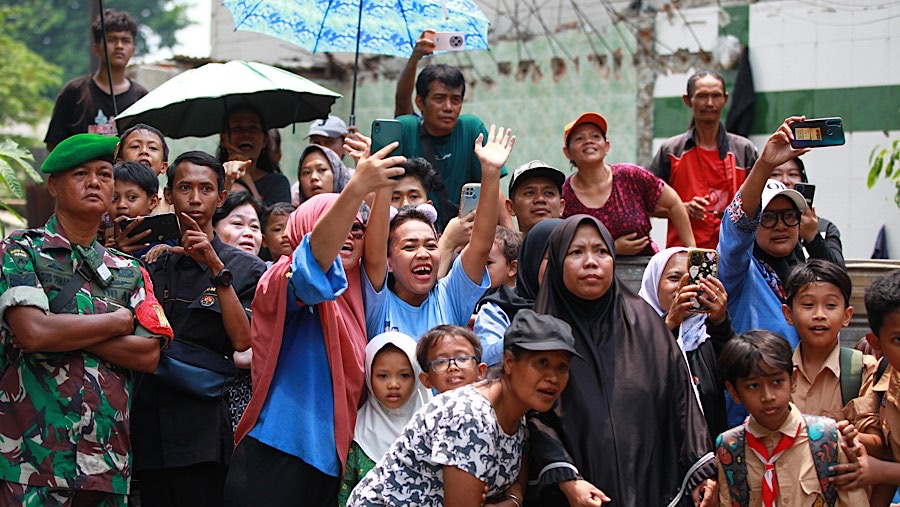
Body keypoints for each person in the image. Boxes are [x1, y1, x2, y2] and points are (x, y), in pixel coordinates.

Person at [224, 143, 406, 507]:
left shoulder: (357, 293)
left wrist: (380, 184)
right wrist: (354, 190)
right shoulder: (279, 277)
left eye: (358, 228)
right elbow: (313, 268)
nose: (351, 234)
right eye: (341, 224)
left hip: (330, 463)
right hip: (276, 453)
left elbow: (374, 251)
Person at [0, 134, 172, 505]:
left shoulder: (130, 270)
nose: (95, 182)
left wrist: (57, 328)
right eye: (81, 173)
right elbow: (32, 332)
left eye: (104, 174)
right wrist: (119, 322)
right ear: (53, 185)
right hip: (30, 463)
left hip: (107, 467)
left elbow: (148, 356)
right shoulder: (20, 250)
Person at [528, 215, 716, 506]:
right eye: (576, 252)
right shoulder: (539, 332)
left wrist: (700, 467)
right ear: (556, 262)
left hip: (650, 484)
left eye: (601, 251)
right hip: (576, 491)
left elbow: (681, 399)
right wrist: (567, 478)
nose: (591, 261)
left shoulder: (645, 323)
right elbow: (533, 417)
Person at [131, 151, 267, 507]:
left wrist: (214, 267)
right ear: (168, 195)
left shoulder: (245, 268)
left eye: (206, 189)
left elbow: (243, 341)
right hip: (144, 426)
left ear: (221, 197)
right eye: (185, 188)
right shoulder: (152, 262)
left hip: (203, 433)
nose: (194, 198)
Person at [347, 309, 580, 506]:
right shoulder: (469, 415)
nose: (552, 377)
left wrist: (513, 498)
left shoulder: (514, 414)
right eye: (541, 363)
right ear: (509, 363)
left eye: (562, 367)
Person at [361, 126, 513, 340]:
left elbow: (480, 246)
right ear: (389, 262)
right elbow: (373, 253)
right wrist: (385, 174)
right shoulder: (377, 302)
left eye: (431, 245)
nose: (423, 253)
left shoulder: (450, 296)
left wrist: (490, 172)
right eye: (409, 246)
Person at [716, 329, 868, 506]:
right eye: (754, 386)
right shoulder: (730, 447)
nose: (768, 396)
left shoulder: (828, 438)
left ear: (793, 379)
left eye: (777, 382)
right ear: (734, 391)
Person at [717, 117, 816, 349]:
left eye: (789, 216)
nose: (780, 226)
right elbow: (737, 227)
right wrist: (764, 165)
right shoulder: (739, 271)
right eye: (768, 217)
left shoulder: (806, 273)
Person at [650, 70, 758, 249]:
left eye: (716, 96)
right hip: (684, 256)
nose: (709, 103)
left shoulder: (744, 150)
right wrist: (680, 208)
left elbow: (761, 203)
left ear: (725, 99)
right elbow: (646, 203)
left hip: (734, 256)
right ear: (687, 100)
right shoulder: (671, 150)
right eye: (702, 96)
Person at [561, 112, 695, 255]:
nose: (588, 141)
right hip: (591, 274)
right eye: (579, 138)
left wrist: (691, 249)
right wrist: (611, 248)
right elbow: (564, 248)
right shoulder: (564, 196)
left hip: (645, 269)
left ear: (606, 146)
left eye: (595, 136)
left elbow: (674, 202)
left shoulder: (630, 175)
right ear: (567, 152)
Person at [395, 64, 511, 230]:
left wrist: (510, 234)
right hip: (412, 231)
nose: (448, 107)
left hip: (464, 233)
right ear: (420, 102)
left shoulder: (470, 128)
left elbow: (492, 187)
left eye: (455, 100)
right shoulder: (406, 128)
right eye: (439, 98)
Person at [639, 246, 735, 439]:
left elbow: (737, 376)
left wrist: (720, 322)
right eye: (674, 278)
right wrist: (669, 325)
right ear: (653, 283)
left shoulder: (708, 337)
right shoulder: (635, 332)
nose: (685, 286)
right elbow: (639, 377)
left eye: (695, 279)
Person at [338, 332, 431, 506]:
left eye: (404, 375)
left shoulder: (433, 429)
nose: (393, 384)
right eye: (383, 376)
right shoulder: (358, 432)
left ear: (418, 377)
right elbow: (346, 491)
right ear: (369, 377)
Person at [782, 259, 876, 422]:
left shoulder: (864, 370)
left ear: (847, 316)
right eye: (808, 304)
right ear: (789, 314)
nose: (819, 315)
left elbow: (875, 440)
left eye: (831, 305)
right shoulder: (776, 370)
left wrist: (843, 434)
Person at [45, 10, 148, 150]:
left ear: (133, 49)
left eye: (125, 40)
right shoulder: (74, 92)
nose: (119, 46)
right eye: (111, 40)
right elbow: (54, 145)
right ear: (96, 48)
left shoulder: (141, 97)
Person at [842, 269, 900, 504]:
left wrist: (880, 471)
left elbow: (885, 469)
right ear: (876, 343)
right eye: (899, 340)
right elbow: (889, 453)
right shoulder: (884, 378)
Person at [474, 218, 562, 367]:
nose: (562, 264)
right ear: (533, 261)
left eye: (572, 255)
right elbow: (486, 360)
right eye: (551, 257)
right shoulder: (499, 308)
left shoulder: (591, 307)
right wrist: (526, 332)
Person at [769, 157, 845, 268]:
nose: (785, 180)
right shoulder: (758, 226)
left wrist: (812, 238)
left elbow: (838, 274)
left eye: (793, 174)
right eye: (776, 174)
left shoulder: (825, 227)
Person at [218, 105, 292, 206]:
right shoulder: (212, 178)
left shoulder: (277, 183)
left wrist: (247, 178)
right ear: (223, 139)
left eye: (253, 128)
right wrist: (228, 181)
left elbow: (273, 220)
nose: (246, 134)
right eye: (237, 128)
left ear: (265, 141)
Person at [106, 161, 160, 254]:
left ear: (152, 202)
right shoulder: (103, 250)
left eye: (132, 197)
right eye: (114, 198)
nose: (121, 205)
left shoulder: (162, 246)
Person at [416, 325, 488, 393]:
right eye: (441, 362)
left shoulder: (491, 405)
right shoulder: (431, 406)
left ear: (480, 371)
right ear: (427, 380)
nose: (453, 367)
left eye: (462, 358)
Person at [505, 160, 566, 235]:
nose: (540, 199)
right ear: (511, 207)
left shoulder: (576, 245)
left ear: (561, 206)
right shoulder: (500, 246)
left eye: (549, 193)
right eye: (529, 193)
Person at [485, 226, 520, 292]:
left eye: (488, 263)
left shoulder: (514, 301)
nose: (480, 269)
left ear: (512, 268)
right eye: (478, 263)